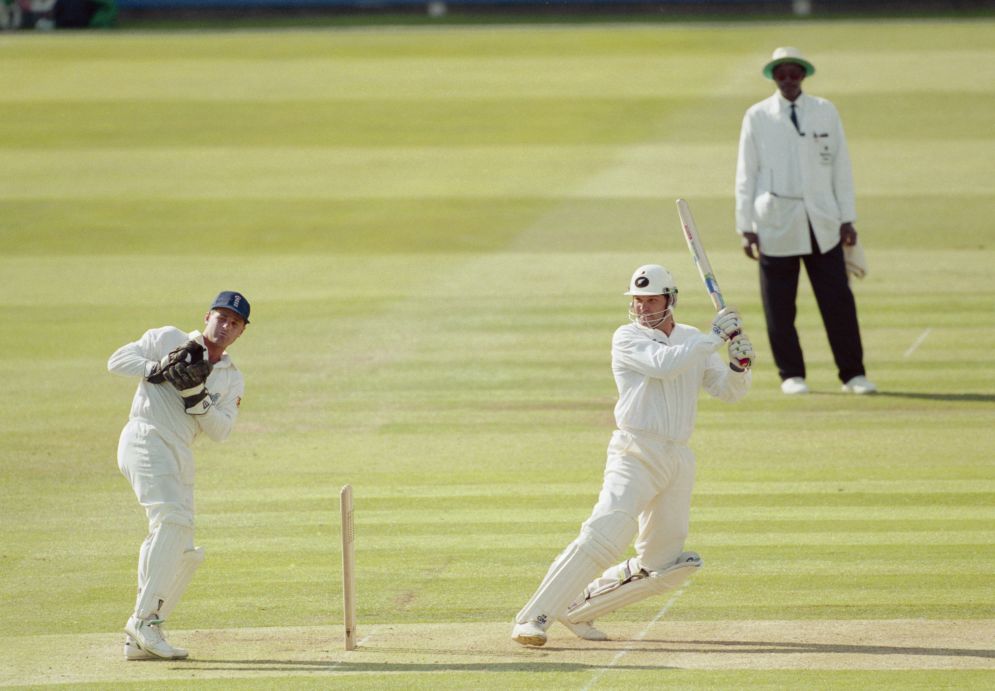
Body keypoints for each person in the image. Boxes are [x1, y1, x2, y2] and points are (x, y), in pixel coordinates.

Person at [511, 264, 753, 647]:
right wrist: (714, 337)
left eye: (651, 300)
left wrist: (740, 367)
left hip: (676, 458)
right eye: (637, 300)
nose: (642, 307)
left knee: (664, 563)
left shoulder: (691, 338)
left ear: (670, 300)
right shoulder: (627, 338)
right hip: (635, 451)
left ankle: (576, 609)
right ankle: (533, 618)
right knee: (604, 533)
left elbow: (728, 391)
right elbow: (665, 365)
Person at [108, 291, 249, 660]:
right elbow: (118, 360)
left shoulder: (232, 379)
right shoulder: (169, 338)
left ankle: (143, 636)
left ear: (241, 332)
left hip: (181, 451)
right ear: (207, 317)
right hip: (145, 435)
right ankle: (141, 621)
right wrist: (156, 369)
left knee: (182, 544)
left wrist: (196, 396)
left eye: (234, 322)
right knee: (171, 519)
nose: (225, 325)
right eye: (220, 317)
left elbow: (220, 431)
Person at [735, 46, 876, 395]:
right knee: (780, 305)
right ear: (773, 77)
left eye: (793, 73)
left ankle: (853, 374)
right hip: (776, 220)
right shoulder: (757, 115)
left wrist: (847, 218)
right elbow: (746, 173)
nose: (787, 80)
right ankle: (791, 374)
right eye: (780, 74)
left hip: (822, 220)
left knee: (838, 302)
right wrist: (746, 227)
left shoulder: (825, 111)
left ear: (803, 76)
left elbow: (841, 168)